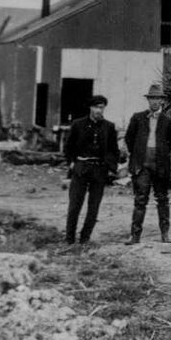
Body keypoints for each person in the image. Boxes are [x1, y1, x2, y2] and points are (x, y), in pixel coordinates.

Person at [124, 83, 171, 245]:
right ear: (148, 100)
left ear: (162, 101)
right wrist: (138, 156)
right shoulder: (137, 117)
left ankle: (165, 235)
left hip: (160, 165)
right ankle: (135, 236)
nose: (155, 101)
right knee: (140, 200)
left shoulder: (168, 121)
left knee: (162, 199)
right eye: (152, 98)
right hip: (142, 165)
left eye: (158, 98)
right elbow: (129, 139)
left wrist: (161, 155)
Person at [64, 95, 119, 245]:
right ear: (90, 108)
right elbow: (68, 147)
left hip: (99, 170)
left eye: (101, 107)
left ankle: (85, 238)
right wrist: (71, 163)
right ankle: (69, 239)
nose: (98, 110)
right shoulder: (78, 124)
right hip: (81, 167)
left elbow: (114, 150)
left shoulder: (109, 127)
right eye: (96, 107)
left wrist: (110, 167)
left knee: (93, 207)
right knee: (75, 204)